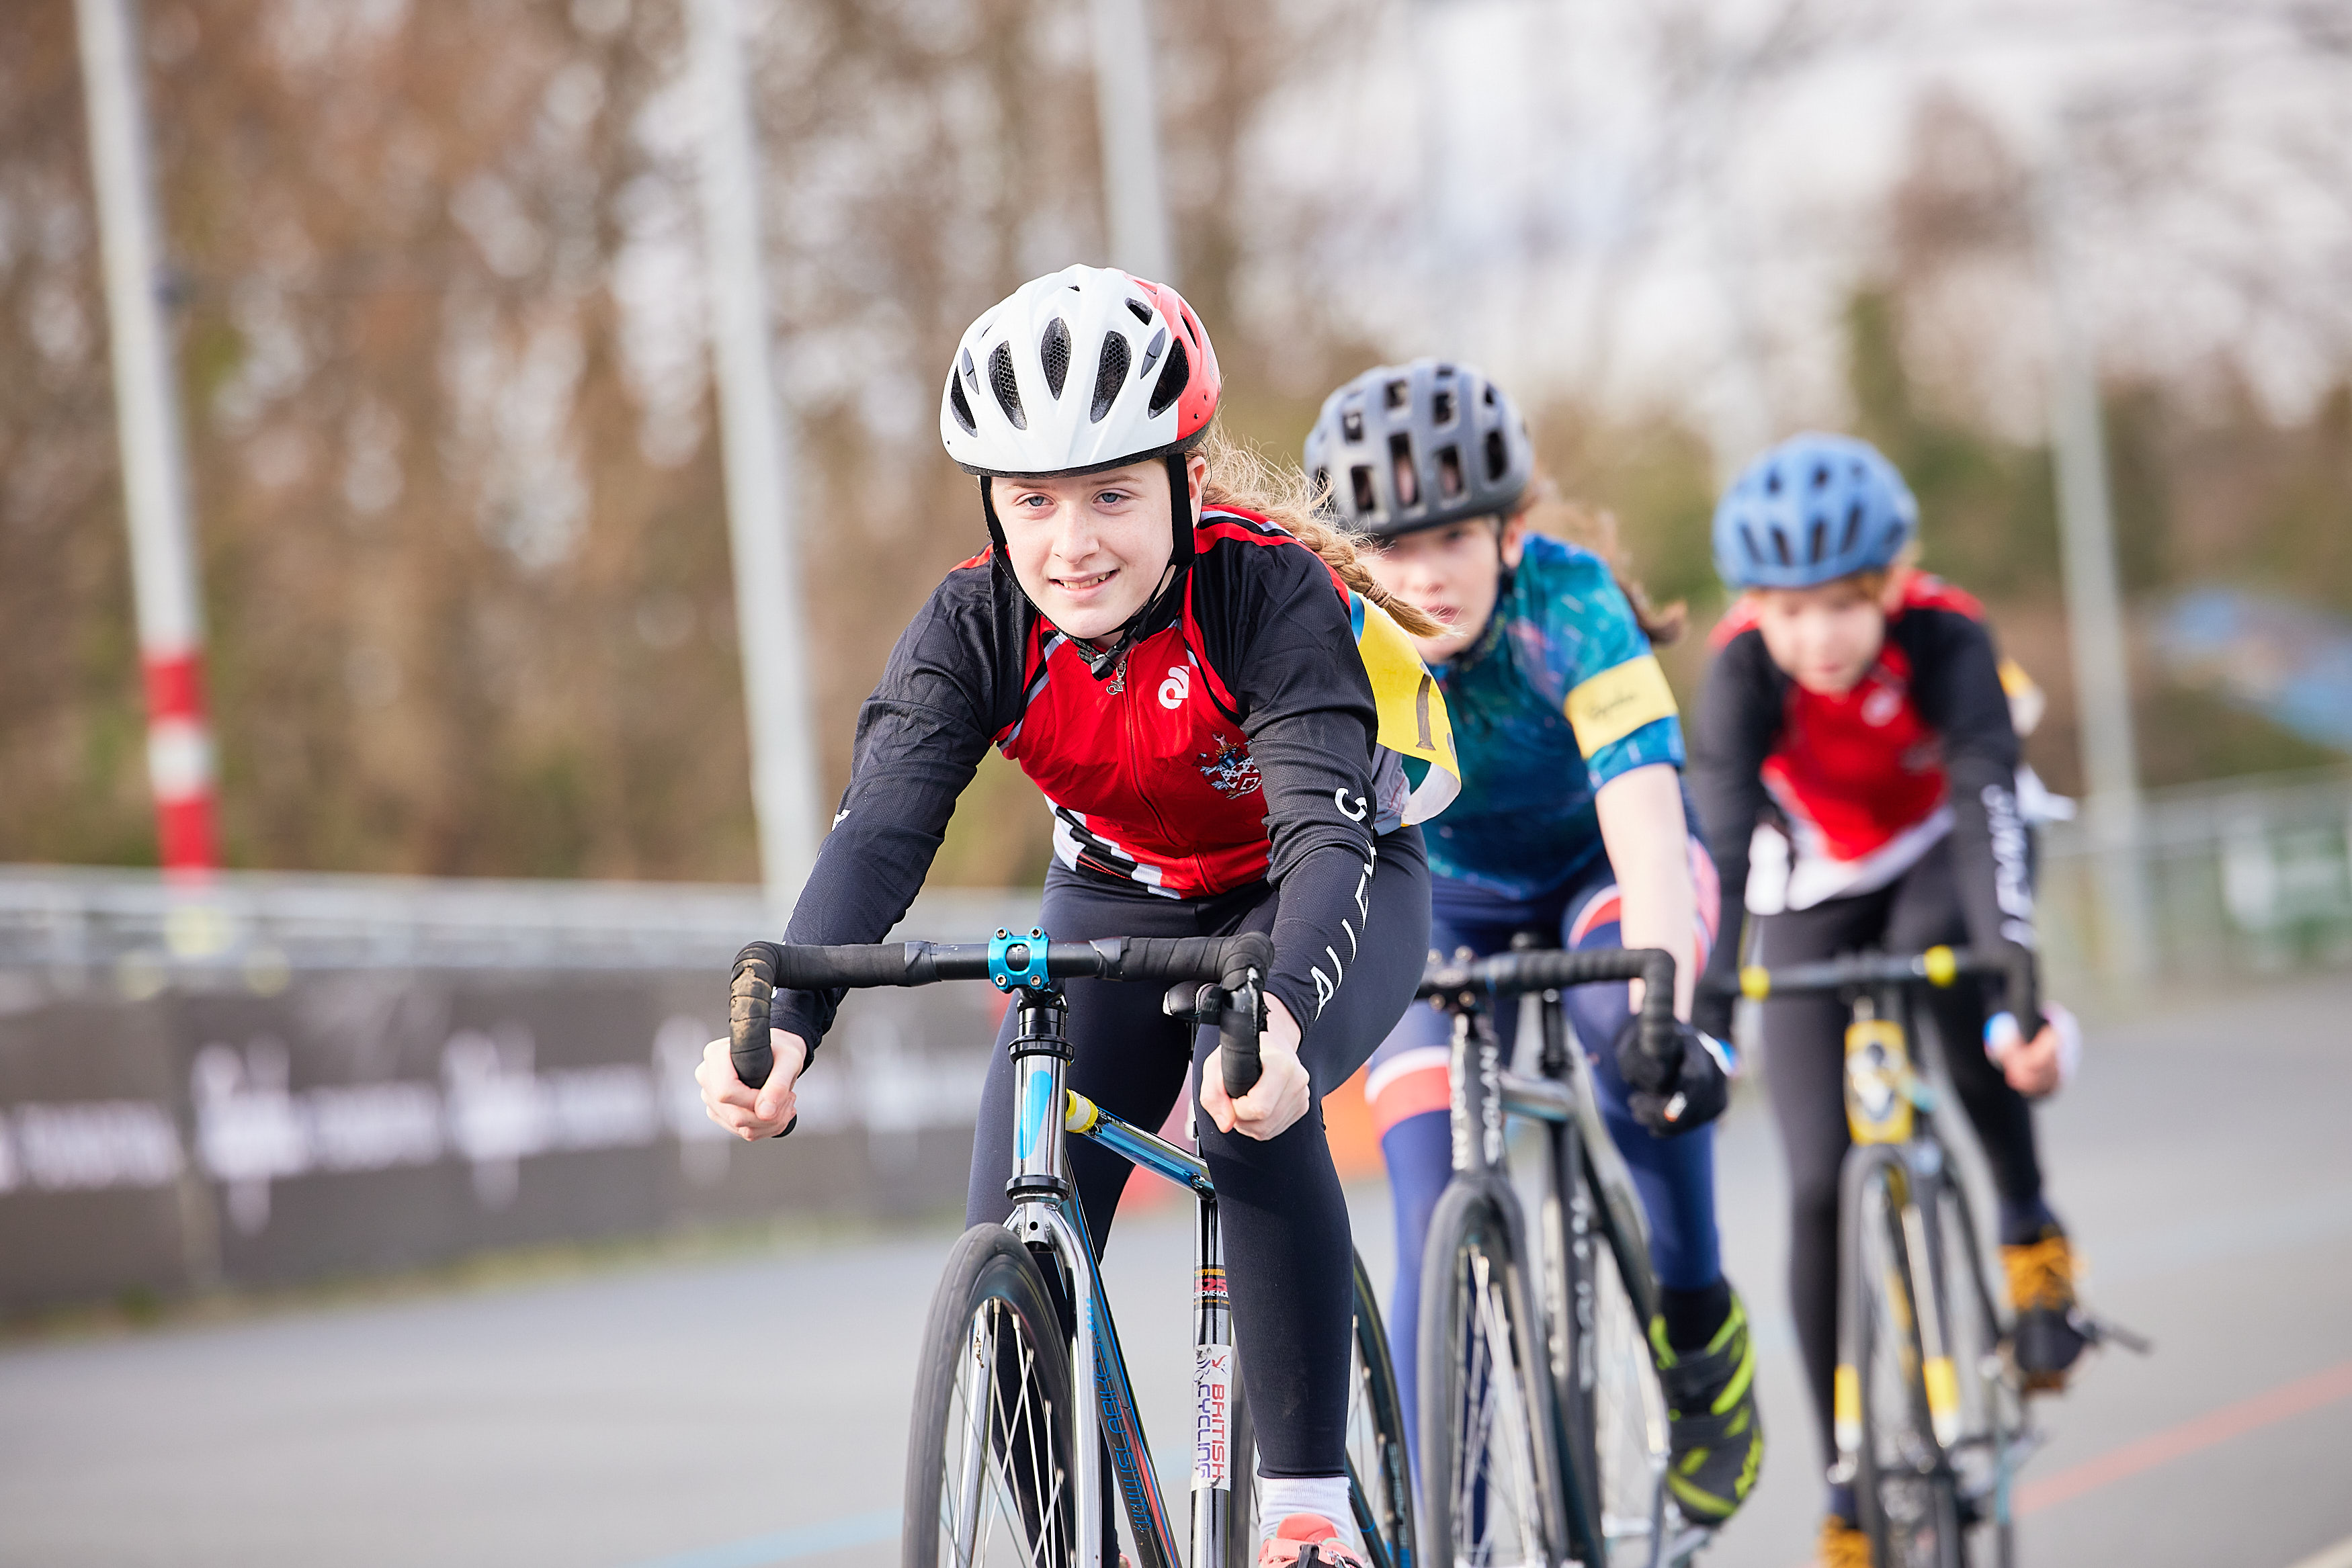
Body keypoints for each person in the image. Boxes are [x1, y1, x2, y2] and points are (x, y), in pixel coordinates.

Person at [696, 265, 1459, 1567]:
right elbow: (879, 835)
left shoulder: (1265, 598)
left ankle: (1308, 1513)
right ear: (993, 509)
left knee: (1246, 1096)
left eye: (1112, 494)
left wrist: (1276, 1016)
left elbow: (1323, 839)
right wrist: (791, 1031)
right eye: (1032, 504)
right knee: (1014, 1249)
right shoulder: (973, 625)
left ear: (1185, 478)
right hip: (1116, 888)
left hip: (1325, 880)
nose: (1073, 543)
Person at [1305, 359, 1763, 1528]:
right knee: (1423, 1190)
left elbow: (1652, 827)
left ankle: (1700, 1322)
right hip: (1445, 898)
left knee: (1629, 1038)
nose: (1422, 576)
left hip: (1601, 867)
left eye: (1450, 536)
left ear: (1509, 529)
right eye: (1387, 548)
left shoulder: (1570, 605)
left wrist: (1668, 1003)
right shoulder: (1332, 631)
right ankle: (1433, 1527)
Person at [1687, 431, 2086, 1567]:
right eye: (1787, 608)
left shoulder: (1948, 636)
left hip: (1938, 853)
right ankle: (1849, 1478)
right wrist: (1711, 1015)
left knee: (1968, 1028)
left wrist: (2019, 977)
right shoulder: (1741, 672)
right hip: (1816, 871)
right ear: (1754, 606)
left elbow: (1987, 809)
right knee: (1815, 1179)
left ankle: (2027, 1228)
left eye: (1841, 607)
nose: (1815, 637)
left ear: (1891, 588)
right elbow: (1719, 849)